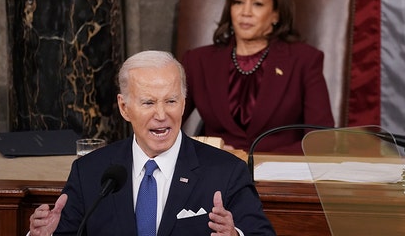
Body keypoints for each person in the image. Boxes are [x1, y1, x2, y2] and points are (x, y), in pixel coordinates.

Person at [29, 50, 276, 236]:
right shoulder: (90, 172)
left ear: (183, 102)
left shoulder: (226, 172)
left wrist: (234, 235)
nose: (161, 114)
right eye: (148, 103)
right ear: (124, 108)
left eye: (171, 101)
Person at [181, 0, 334, 154]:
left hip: (278, 175)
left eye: (257, 4)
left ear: (276, 14)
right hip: (215, 173)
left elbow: (321, 140)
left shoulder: (304, 60)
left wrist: (254, 159)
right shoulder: (198, 61)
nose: (246, 12)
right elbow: (164, 127)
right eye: (238, 2)